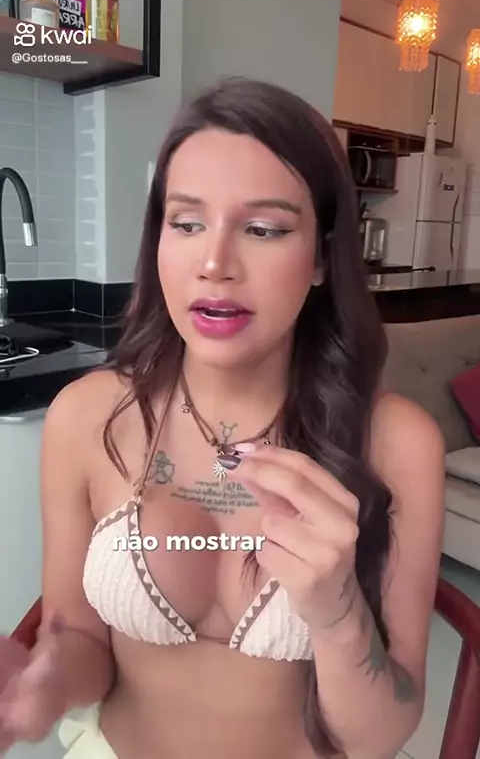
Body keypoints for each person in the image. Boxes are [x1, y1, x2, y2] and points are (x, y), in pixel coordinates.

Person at [0, 77, 445, 759]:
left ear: (322, 258)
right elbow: (80, 637)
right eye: (186, 223)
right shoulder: (87, 417)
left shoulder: (397, 443)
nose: (214, 264)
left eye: (263, 229)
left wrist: (338, 616)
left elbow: (381, 735)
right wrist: (45, 683)